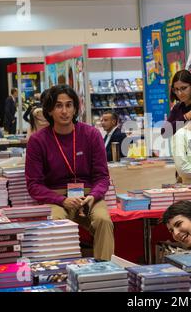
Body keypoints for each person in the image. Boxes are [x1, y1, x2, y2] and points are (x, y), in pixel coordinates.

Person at [25, 84, 114, 261]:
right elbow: (33, 185)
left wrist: (94, 196)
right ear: (49, 110)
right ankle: (62, 275)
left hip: (89, 196)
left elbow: (102, 176)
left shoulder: (91, 134)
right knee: (57, 223)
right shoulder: (37, 140)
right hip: (56, 197)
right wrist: (62, 200)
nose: (64, 111)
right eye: (59, 105)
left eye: (69, 105)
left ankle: (105, 271)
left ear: (75, 108)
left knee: (104, 220)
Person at [161, 69, 191, 137]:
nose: (179, 93)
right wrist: (186, 117)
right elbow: (164, 133)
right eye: (176, 89)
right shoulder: (177, 108)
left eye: (183, 88)